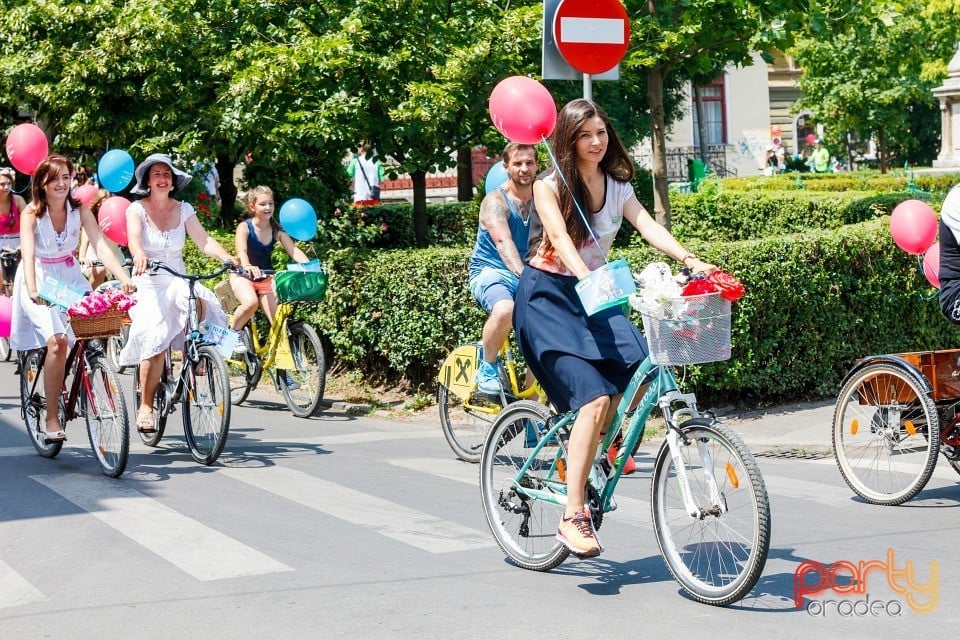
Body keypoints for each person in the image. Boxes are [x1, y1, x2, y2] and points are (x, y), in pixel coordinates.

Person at [514, 99, 714, 558]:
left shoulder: (617, 185)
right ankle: (573, 512)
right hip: (549, 297)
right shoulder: (550, 186)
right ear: (569, 139)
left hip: (596, 295)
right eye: (586, 135)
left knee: (644, 369)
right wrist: (586, 277)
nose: (597, 142)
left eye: (602, 132)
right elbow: (561, 240)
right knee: (594, 398)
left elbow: (647, 226)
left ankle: (601, 451)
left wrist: (688, 258)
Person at [9, 154, 135, 441]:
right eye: (54, 178)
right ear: (41, 182)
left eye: (66, 177)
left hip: (68, 277)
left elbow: (102, 246)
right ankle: (52, 417)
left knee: (90, 330)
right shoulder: (31, 213)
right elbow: (27, 254)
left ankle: (83, 378)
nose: (61, 184)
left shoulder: (80, 210)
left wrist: (123, 278)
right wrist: (31, 289)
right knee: (57, 342)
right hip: (39, 278)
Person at [118, 153, 237, 433]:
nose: (162, 179)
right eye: (157, 174)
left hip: (177, 275)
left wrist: (228, 258)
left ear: (173, 182)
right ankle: (146, 406)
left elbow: (204, 240)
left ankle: (193, 355)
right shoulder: (136, 210)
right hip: (149, 280)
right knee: (155, 341)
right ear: (147, 180)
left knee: (199, 299)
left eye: (167, 174)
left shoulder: (184, 209)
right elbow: (134, 240)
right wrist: (139, 255)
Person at [469, 142, 537, 395]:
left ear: (537, 165)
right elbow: (502, 240)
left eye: (529, 163)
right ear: (506, 167)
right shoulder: (495, 201)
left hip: (529, 273)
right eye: (517, 163)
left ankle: (534, 422)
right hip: (492, 272)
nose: (524, 168)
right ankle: (486, 366)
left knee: (547, 339)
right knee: (505, 309)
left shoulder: (542, 200)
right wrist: (524, 274)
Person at [228, 185, 310, 387]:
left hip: (265, 277)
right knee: (250, 303)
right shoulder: (245, 227)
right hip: (243, 275)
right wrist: (247, 266)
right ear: (252, 206)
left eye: (270, 203)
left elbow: (294, 251)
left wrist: (310, 267)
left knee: (279, 325)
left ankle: (283, 375)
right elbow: (242, 251)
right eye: (262, 204)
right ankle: (232, 336)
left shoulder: (277, 231)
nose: (267, 207)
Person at [78, 189, 125, 289]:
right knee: (100, 270)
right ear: (98, 203)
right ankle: (88, 295)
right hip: (95, 257)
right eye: (103, 201)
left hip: (114, 255)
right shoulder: (91, 220)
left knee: (123, 281)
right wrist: (82, 257)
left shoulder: (115, 219)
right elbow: (84, 243)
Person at [0, 167, 27, 294]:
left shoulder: (18, 200)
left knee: (17, 283)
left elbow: (29, 225)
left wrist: (23, 245)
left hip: (17, 244)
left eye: (9, 183)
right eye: (2, 184)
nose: (6, 187)